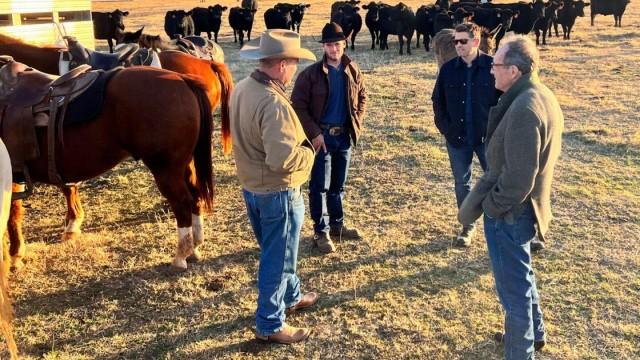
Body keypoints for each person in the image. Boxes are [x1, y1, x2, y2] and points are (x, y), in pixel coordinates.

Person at [458, 35, 564, 359]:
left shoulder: (524, 109)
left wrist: (491, 208)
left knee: (513, 294)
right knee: (523, 276)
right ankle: (537, 334)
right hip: (524, 211)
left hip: (511, 214)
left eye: (497, 64)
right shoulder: (540, 94)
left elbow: (518, 179)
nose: (491, 69)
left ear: (515, 71)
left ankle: (522, 351)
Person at [230, 29, 319, 344]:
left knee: (280, 252)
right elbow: (282, 160)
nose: (295, 68)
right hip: (278, 193)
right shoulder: (273, 102)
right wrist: (308, 154)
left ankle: (291, 296)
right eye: (294, 62)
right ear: (282, 64)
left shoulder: (243, 87)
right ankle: (270, 324)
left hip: (254, 188)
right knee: (277, 259)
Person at [291, 22, 367, 254]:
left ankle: (338, 225)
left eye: (337, 44)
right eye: (329, 45)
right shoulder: (310, 75)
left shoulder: (352, 69)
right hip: (321, 138)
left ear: (344, 44)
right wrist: (315, 134)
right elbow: (298, 107)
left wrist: (356, 121)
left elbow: (362, 95)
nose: (334, 49)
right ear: (323, 47)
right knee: (319, 186)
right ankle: (320, 232)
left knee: (338, 185)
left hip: (344, 137)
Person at [431, 23, 500, 247]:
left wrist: (497, 130)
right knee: (462, 182)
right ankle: (467, 225)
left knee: (497, 179)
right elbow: (437, 101)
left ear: (476, 42)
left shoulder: (493, 67)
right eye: (455, 42)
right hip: (457, 138)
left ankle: (498, 222)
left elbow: (505, 100)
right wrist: (446, 128)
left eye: (463, 41)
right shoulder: (448, 69)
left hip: (487, 138)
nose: (458, 45)